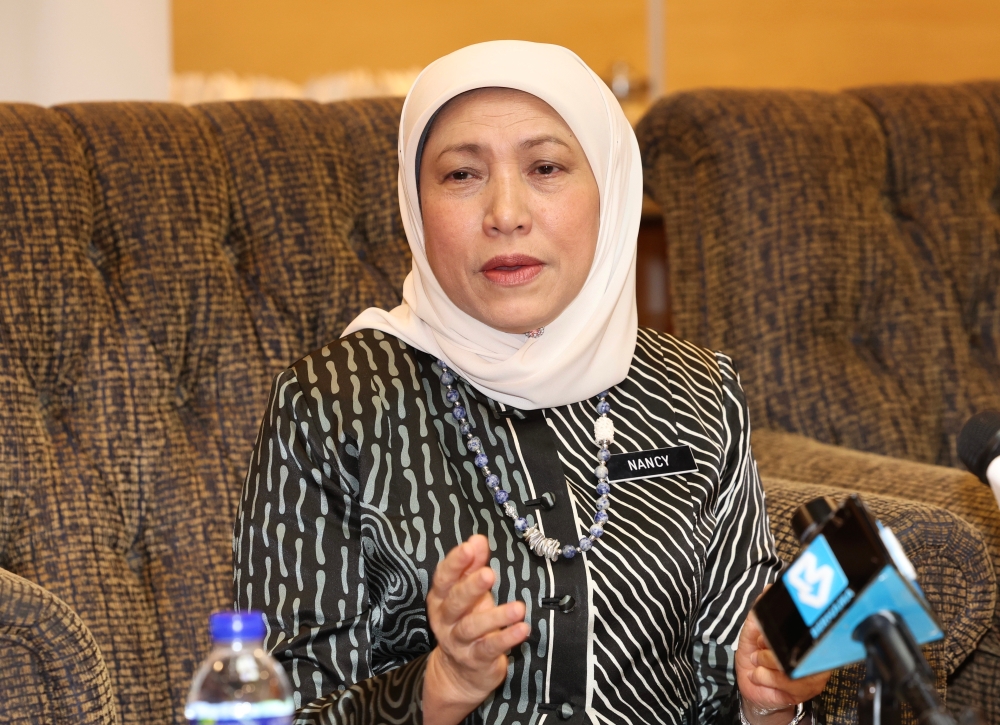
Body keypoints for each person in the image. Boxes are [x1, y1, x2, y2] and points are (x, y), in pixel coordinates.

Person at [233, 40, 830, 725]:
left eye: (545, 167)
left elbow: (736, 677)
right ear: (414, 204)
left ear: (610, 190)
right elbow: (273, 708)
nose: (506, 212)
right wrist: (440, 683)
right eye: (462, 174)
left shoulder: (696, 392)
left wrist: (768, 701)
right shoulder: (332, 402)